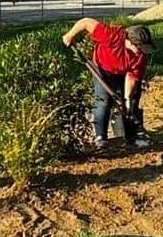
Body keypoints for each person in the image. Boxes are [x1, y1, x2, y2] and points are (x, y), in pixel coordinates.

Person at [61, 17, 156, 149]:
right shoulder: (112, 36)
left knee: (131, 101)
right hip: (103, 68)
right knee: (103, 101)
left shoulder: (141, 55)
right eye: (139, 48)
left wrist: (127, 100)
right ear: (128, 42)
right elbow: (86, 22)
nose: (141, 51)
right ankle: (101, 137)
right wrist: (70, 35)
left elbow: (132, 77)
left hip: (124, 72)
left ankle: (131, 136)